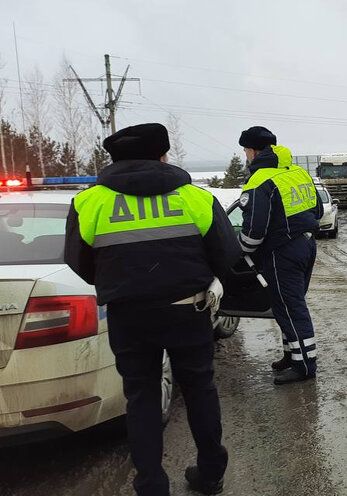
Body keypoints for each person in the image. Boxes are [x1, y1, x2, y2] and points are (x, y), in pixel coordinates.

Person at [64, 123, 241, 496]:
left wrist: (122, 283)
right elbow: (227, 255)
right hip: (187, 312)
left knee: (141, 397)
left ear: (114, 159)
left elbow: (79, 262)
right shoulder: (195, 198)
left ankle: (150, 484)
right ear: (163, 156)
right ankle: (211, 473)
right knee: (199, 389)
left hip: (129, 317)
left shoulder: (88, 202)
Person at [237, 126, 323, 385]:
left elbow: (254, 231)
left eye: (245, 150)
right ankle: (293, 355)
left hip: (281, 251)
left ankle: (305, 366)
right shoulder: (297, 173)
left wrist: (239, 251)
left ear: (252, 150)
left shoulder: (260, 180)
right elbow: (317, 211)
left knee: (290, 306)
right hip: (307, 245)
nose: (245, 155)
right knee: (287, 305)